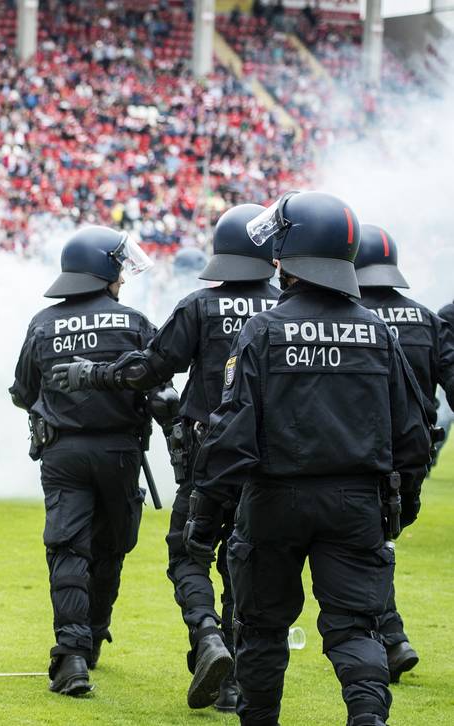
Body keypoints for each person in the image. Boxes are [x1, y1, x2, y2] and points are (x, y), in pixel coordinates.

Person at [184, 191, 431, 726]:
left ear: (291, 253)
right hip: (356, 505)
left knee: (263, 628)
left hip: (273, 503)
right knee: (354, 629)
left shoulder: (264, 331)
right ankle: (368, 718)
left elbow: (231, 436)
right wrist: (403, 501)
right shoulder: (378, 332)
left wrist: (206, 513)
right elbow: (413, 432)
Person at [48, 205, 280, 711]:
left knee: (188, 554)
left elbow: (153, 369)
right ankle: (235, 679)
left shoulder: (199, 307)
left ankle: (207, 637)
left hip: (209, 457)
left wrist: (94, 375)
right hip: (270, 465)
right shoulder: (286, 311)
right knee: (247, 561)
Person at [8, 226, 169, 698]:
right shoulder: (135, 322)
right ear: (104, 272)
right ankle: (94, 635)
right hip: (120, 454)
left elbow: (23, 392)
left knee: (68, 548)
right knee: (111, 546)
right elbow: (158, 384)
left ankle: (72, 654)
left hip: (62, 454)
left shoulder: (42, 323)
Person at [353, 223, 454, 682]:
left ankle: (388, 637)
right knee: (377, 542)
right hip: (413, 459)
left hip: (356, 454)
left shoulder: (350, 318)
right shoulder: (429, 320)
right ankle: (388, 635)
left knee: (363, 549)